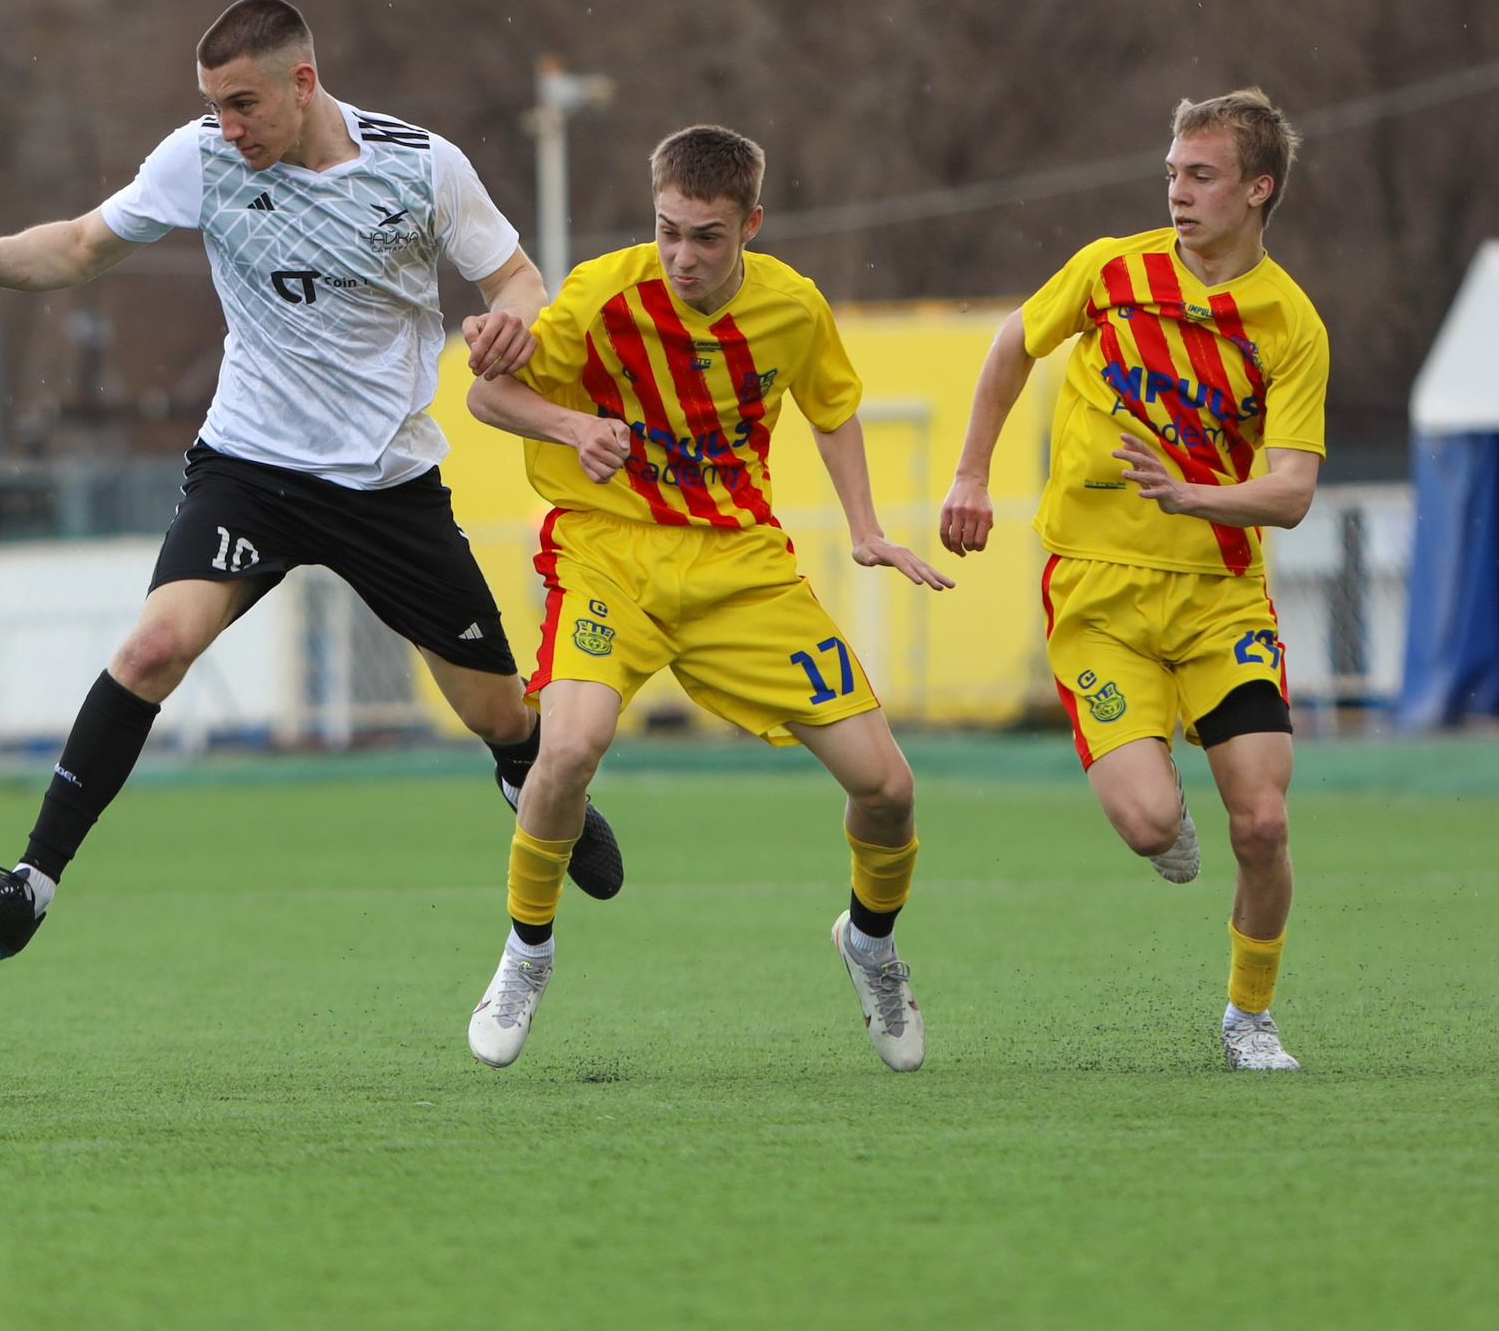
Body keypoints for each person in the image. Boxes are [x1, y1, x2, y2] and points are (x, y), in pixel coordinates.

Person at [0, 0, 621, 960]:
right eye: (213, 103)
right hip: (252, 468)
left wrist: (512, 321)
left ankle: (517, 764)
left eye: (243, 103)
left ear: (304, 83)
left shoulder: (421, 166)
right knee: (156, 646)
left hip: (387, 484)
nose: (226, 126)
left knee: (496, 709)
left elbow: (516, 276)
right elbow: (78, 246)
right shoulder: (198, 158)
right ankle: (29, 883)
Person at [458, 124, 953, 1072]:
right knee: (563, 749)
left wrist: (864, 525)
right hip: (610, 553)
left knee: (888, 787)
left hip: (740, 566)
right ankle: (527, 952)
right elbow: (488, 396)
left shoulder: (793, 308)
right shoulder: (604, 293)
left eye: (707, 236)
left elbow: (834, 406)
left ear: (752, 225)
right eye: (668, 230)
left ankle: (871, 942)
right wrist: (573, 424)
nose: (683, 255)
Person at [939, 88, 1326, 1071]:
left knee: (1266, 822)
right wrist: (971, 473)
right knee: (1151, 821)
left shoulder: (1289, 325)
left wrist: (1196, 496)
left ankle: (1249, 1017)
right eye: (1171, 174)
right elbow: (1009, 347)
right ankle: (1161, 819)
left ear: (1256, 189)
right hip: (1099, 595)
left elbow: (1288, 493)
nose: (1178, 194)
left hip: (1217, 599)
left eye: (1201, 176)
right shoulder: (1110, 272)